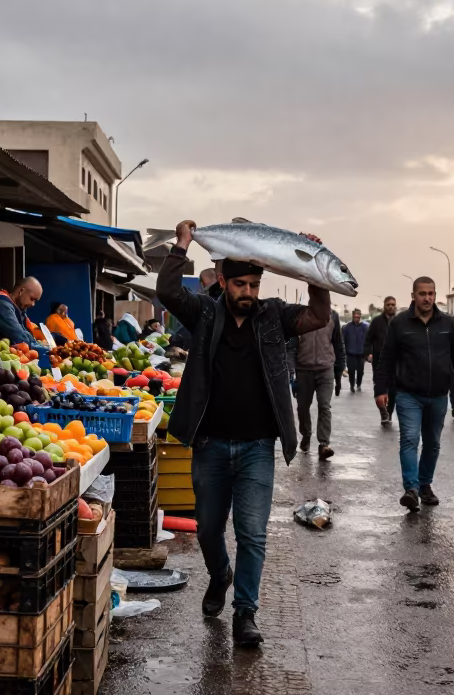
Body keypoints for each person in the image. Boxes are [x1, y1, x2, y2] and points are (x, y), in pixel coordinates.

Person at [157, 219, 331, 648]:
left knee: (253, 533)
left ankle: (245, 613)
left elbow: (318, 315)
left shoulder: (273, 315)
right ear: (223, 281)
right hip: (211, 445)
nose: (248, 293)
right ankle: (220, 576)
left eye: (254, 284)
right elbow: (167, 292)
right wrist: (181, 246)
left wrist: (313, 268)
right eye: (241, 285)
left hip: (257, 448)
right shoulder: (205, 312)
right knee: (208, 530)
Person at [374, 278, 454, 511]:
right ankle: (411, 488)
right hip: (409, 394)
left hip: (438, 395)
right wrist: (381, 389)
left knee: (432, 443)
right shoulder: (400, 323)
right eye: (422, 294)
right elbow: (386, 358)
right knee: (409, 439)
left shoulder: (447, 323)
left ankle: (425, 484)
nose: (427, 298)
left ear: (435, 295)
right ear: (413, 296)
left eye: (430, 293)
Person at [288, 309, 344, 459]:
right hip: (303, 370)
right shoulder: (300, 316)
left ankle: (324, 444)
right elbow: (292, 347)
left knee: (324, 405)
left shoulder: (333, 316)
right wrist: (291, 373)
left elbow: (338, 344)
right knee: (302, 408)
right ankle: (306, 435)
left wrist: (338, 373)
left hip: (325, 369)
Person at [0, 277, 46, 348]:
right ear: (21, 291)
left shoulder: (17, 309)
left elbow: (27, 335)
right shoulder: (2, 307)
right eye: (32, 299)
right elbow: (21, 340)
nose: (33, 304)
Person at [365, 296, 398, 426]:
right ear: (384, 306)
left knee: (393, 390)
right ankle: (382, 411)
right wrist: (368, 353)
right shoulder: (376, 322)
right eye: (388, 304)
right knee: (380, 387)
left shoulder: (399, 322)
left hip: (395, 362)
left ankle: (389, 412)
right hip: (379, 361)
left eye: (393, 304)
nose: (391, 306)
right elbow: (368, 340)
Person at [342, 309, 369, 393]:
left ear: (360, 316)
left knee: (360, 371)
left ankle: (359, 384)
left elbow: (368, 340)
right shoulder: (347, 327)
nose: (357, 318)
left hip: (361, 354)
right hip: (350, 353)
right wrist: (344, 351)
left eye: (358, 316)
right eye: (355, 316)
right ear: (353, 317)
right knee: (351, 370)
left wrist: (367, 352)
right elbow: (344, 339)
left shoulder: (365, 327)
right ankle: (352, 385)